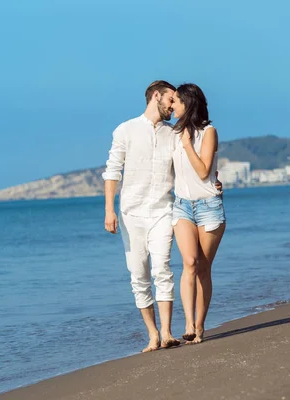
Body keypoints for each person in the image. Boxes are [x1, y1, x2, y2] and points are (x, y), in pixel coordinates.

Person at [102, 80, 181, 352]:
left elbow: (183, 168)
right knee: (139, 275)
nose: (174, 105)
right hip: (130, 214)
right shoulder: (126, 130)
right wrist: (109, 210)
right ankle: (153, 335)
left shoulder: (173, 133)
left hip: (163, 210)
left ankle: (168, 332)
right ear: (156, 96)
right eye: (171, 99)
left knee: (163, 269)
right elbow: (113, 171)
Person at [170, 83, 226, 344]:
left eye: (177, 102)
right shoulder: (172, 134)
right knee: (190, 262)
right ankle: (189, 323)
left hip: (208, 207)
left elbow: (204, 172)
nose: (173, 106)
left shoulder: (208, 132)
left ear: (188, 104)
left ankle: (200, 326)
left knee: (203, 268)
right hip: (182, 206)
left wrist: (187, 145)